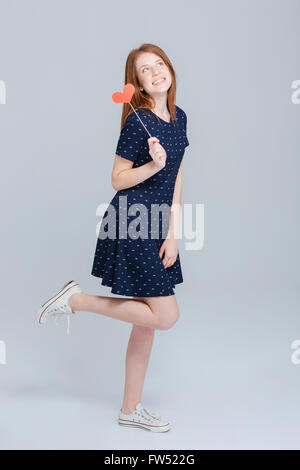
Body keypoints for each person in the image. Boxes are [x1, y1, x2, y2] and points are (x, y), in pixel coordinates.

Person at [37, 43, 190, 433]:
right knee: (166, 316)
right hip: (132, 221)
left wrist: (173, 233)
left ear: (169, 69)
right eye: (145, 70)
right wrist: (152, 165)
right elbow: (118, 179)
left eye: (160, 64)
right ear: (137, 84)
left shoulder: (179, 118)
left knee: (149, 323)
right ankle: (77, 300)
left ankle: (129, 408)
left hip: (158, 224)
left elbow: (177, 179)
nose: (156, 72)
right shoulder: (136, 120)